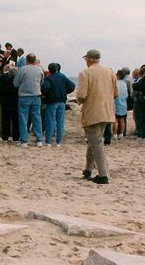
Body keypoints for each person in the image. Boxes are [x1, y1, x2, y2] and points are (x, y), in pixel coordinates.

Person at [76, 49, 117, 184]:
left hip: (93, 111)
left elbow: (81, 95)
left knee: (96, 143)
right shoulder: (110, 72)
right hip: (107, 111)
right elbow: (115, 93)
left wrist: (78, 101)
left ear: (89, 59)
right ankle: (88, 169)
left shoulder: (85, 73)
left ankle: (103, 174)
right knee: (94, 141)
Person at [13, 53, 44, 147]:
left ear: (26, 60)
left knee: (23, 119)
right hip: (36, 96)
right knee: (37, 118)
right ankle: (39, 140)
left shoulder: (22, 69)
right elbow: (41, 82)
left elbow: (15, 83)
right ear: (35, 60)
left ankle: (24, 141)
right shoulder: (40, 69)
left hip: (24, 96)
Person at [41, 63, 75, 146]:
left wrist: (45, 94)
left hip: (52, 101)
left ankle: (48, 141)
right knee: (60, 122)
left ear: (49, 70)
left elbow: (45, 88)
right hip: (62, 101)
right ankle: (58, 142)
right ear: (56, 69)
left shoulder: (48, 78)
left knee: (50, 121)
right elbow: (72, 86)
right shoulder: (62, 76)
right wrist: (65, 92)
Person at [0, 64, 19, 142]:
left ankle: (5, 136)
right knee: (15, 121)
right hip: (16, 102)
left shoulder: (3, 79)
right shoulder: (17, 81)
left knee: (5, 120)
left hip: (5, 102)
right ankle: (16, 136)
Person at [113, 70, 128, 140]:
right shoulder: (124, 83)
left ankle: (115, 134)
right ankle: (121, 134)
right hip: (123, 103)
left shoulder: (115, 83)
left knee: (115, 120)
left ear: (118, 75)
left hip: (116, 103)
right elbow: (126, 94)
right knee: (122, 120)